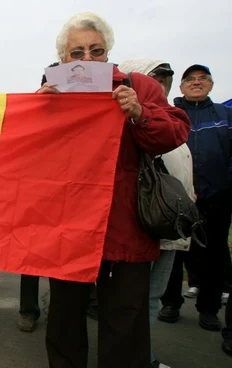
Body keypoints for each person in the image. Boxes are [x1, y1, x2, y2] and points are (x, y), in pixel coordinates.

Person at [38, 13, 190, 367]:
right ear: (63, 59)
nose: (87, 59)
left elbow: (174, 133)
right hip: (69, 225)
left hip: (126, 226)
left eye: (96, 50)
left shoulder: (138, 86)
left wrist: (138, 112)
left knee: (126, 319)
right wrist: (40, 110)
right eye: (77, 53)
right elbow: (35, 150)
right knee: (64, 317)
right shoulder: (52, 89)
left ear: (108, 53)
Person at [119, 58, 195, 368]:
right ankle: (134, 358)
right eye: (153, 77)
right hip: (140, 222)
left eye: (165, 78)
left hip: (169, 222)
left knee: (151, 297)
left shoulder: (169, 118)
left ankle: (140, 357)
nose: (159, 84)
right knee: (129, 301)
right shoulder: (130, 117)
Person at [159, 64, 232, 331]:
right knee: (174, 251)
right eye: (190, 79)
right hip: (177, 198)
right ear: (181, 87)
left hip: (217, 198)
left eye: (203, 79)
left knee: (213, 253)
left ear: (211, 85)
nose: (196, 82)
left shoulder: (226, 115)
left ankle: (209, 308)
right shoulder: (172, 115)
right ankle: (170, 302)